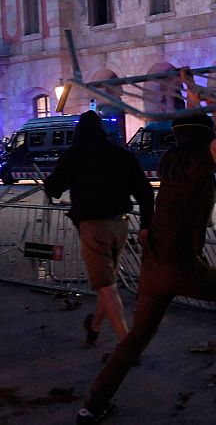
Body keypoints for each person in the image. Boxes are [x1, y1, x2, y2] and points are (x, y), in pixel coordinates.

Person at [77, 68, 216, 424]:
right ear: (201, 140)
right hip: (181, 265)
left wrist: (191, 93)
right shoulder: (193, 165)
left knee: (138, 337)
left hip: (154, 266)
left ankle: (93, 404)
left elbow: (190, 127)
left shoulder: (174, 160)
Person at [44, 110, 154, 346]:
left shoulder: (75, 154)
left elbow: (54, 187)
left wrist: (48, 183)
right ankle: (94, 327)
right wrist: (146, 224)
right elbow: (145, 192)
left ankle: (127, 346)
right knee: (108, 280)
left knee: (107, 287)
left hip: (93, 226)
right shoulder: (122, 155)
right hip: (120, 224)